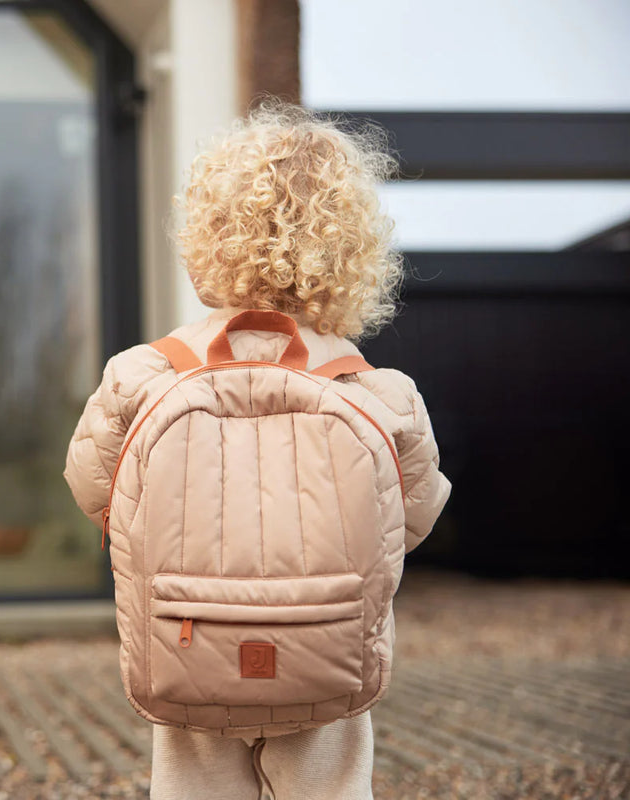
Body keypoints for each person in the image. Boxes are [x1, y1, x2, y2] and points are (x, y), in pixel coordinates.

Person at [63, 102, 451, 800]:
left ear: (205, 235)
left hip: (189, 637)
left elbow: (94, 492)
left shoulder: (144, 374)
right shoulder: (379, 392)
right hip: (325, 644)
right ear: (353, 252)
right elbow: (412, 520)